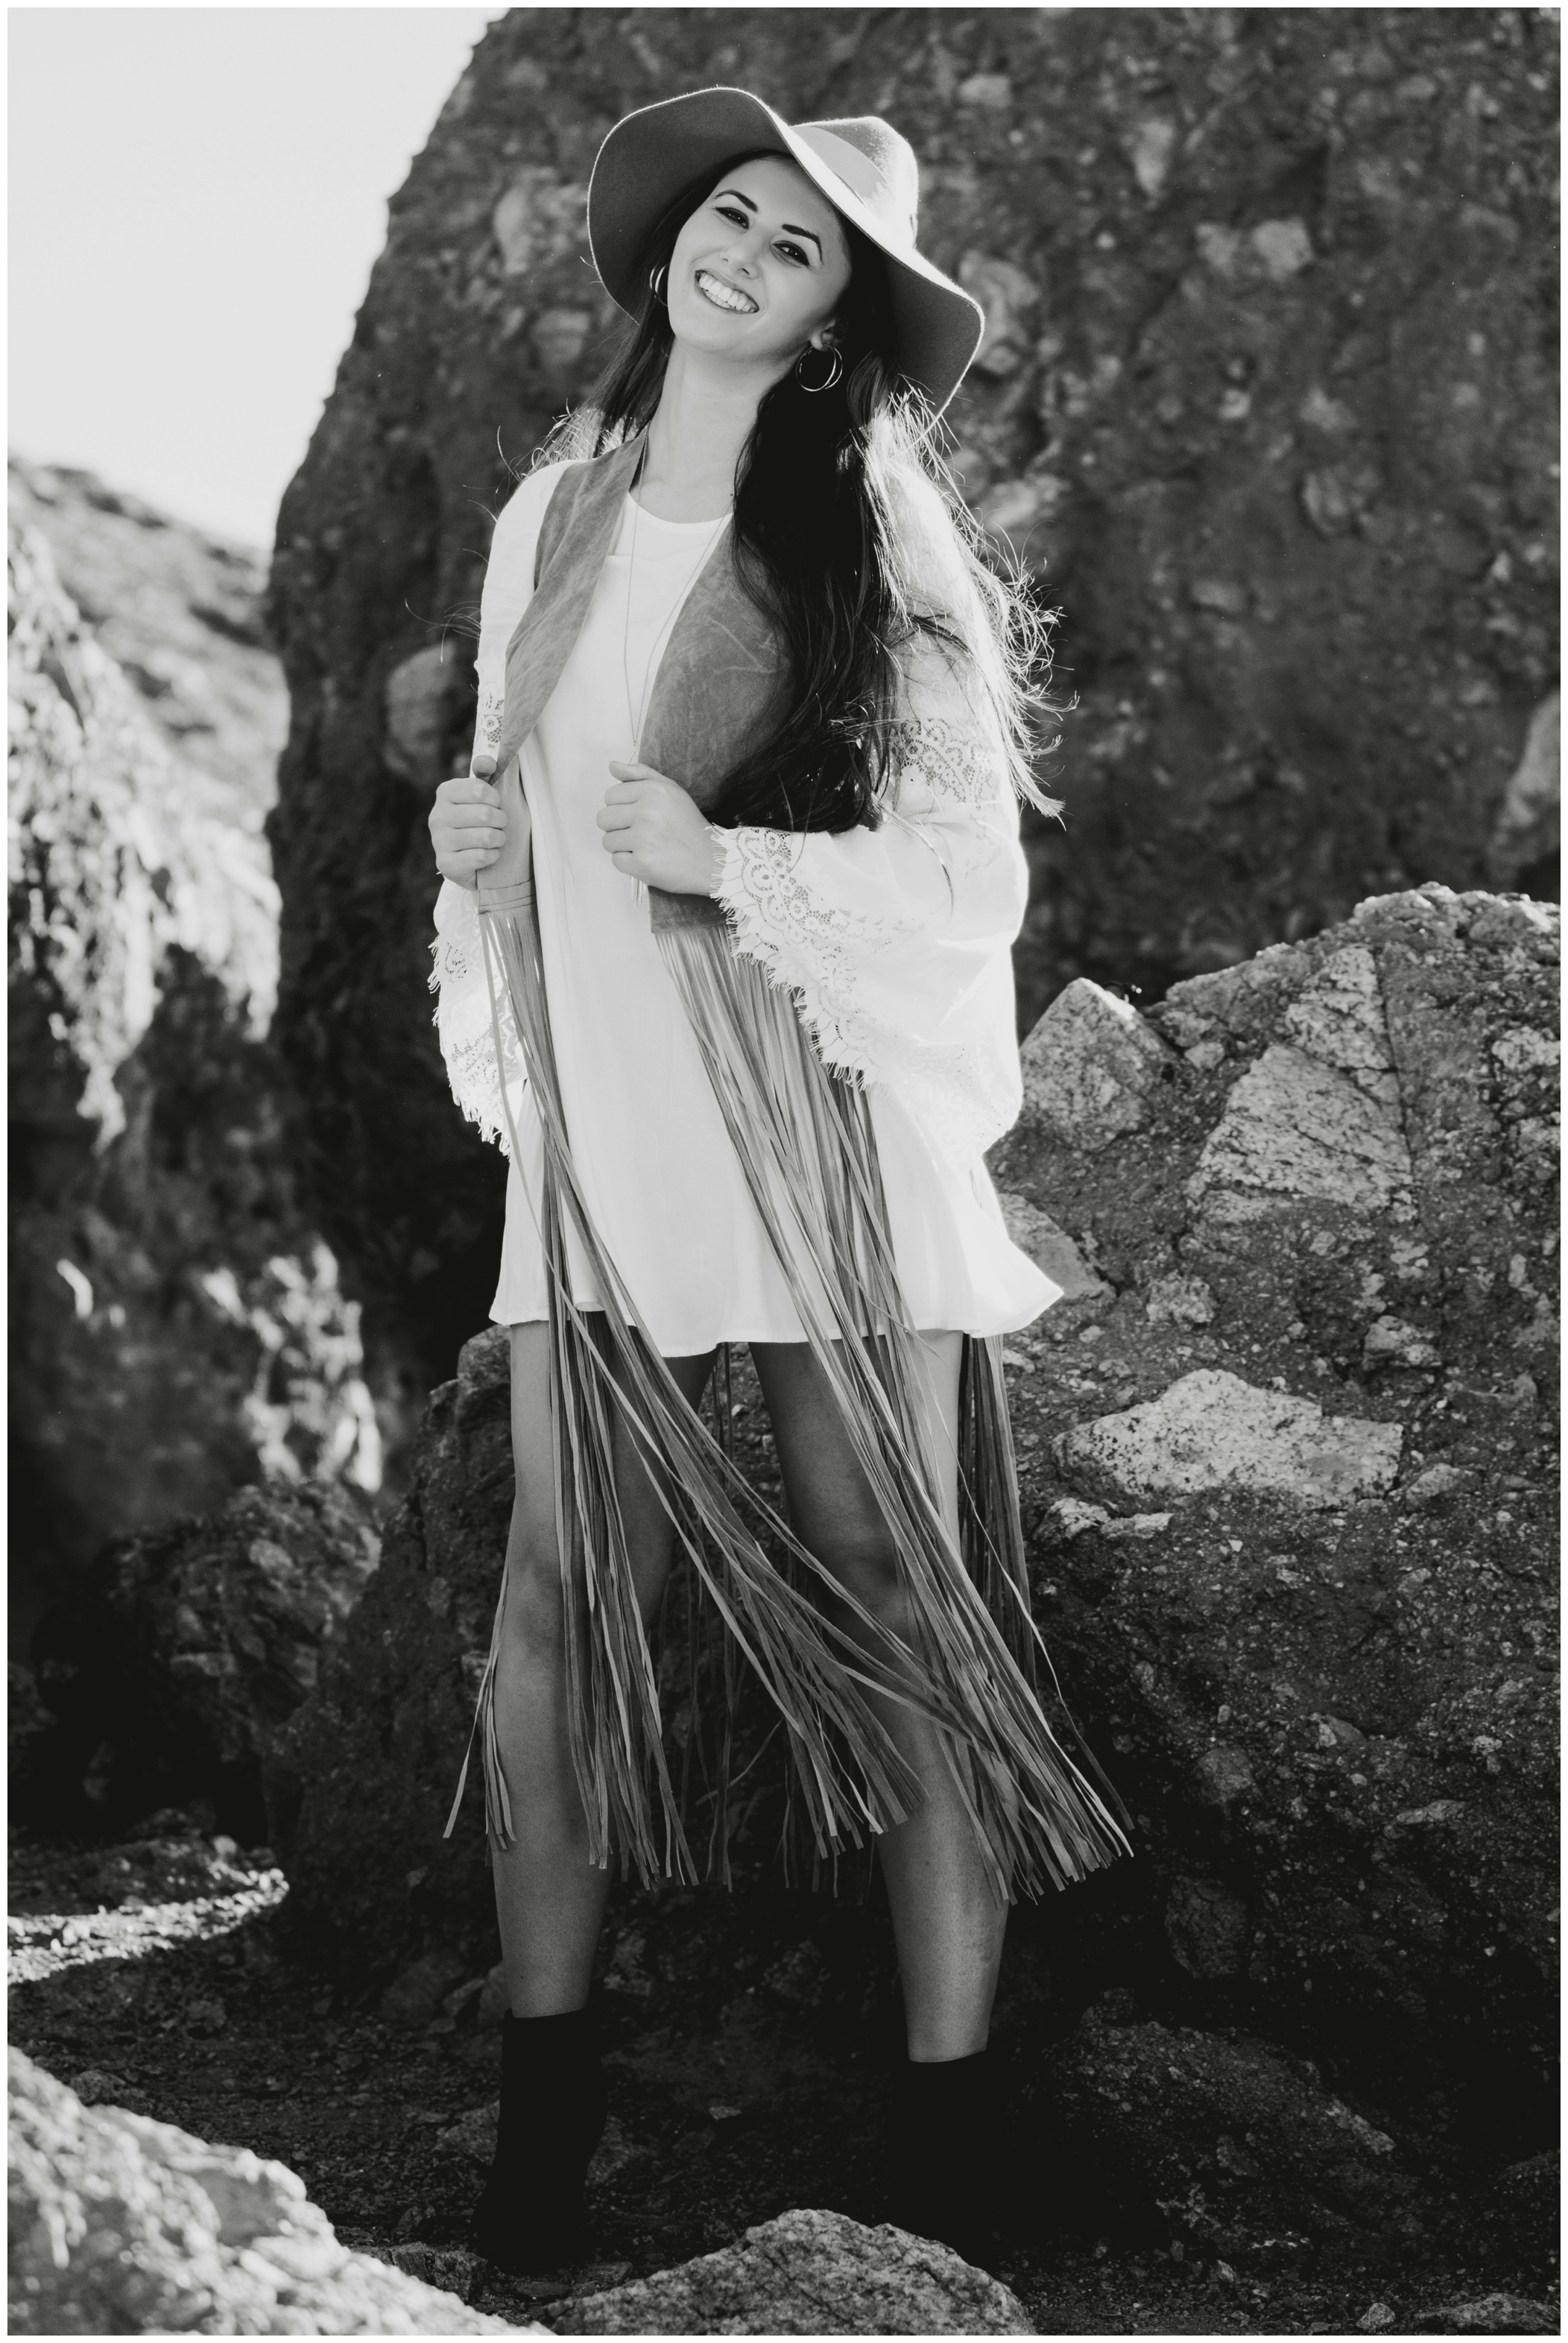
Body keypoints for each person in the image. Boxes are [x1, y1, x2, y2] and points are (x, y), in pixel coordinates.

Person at [426, 86, 1128, 2277]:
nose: (742, 251)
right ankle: (544, 2146)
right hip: (609, 1133)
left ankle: (945, 2153)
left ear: (835, 322)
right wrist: (476, 856)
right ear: (671, 250)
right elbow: (523, 813)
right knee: (556, 1618)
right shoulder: (554, 505)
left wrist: (720, 861)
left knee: (905, 1600)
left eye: (798, 248)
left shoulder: (877, 541)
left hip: (815, 1120)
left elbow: (965, 878)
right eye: (729, 214)